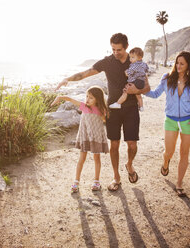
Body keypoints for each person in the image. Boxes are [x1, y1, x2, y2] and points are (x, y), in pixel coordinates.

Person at [56, 33, 150, 191]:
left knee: (132, 144)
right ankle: (116, 177)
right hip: (112, 108)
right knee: (114, 144)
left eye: (118, 49)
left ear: (126, 47)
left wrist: (136, 90)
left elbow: (147, 87)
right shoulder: (107, 62)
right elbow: (85, 73)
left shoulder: (134, 61)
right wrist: (68, 79)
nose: (115, 52)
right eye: (113, 49)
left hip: (131, 107)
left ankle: (129, 164)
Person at [144, 51, 190, 197]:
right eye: (177, 62)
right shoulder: (167, 78)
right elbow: (155, 94)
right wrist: (142, 90)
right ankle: (165, 162)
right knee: (169, 151)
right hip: (171, 120)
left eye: (182, 63)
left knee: (184, 153)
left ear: (188, 65)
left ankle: (179, 183)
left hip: (188, 121)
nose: (178, 66)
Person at [51, 86, 109, 193]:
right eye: (87, 96)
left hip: (95, 137)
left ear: (98, 99)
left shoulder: (101, 110)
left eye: (91, 98)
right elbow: (71, 100)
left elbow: (105, 120)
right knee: (81, 159)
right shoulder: (84, 106)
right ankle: (76, 182)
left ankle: (96, 181)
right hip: (85, 137)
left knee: (97, 159)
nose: (87, 99)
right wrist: (60, 97)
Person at [109, 47, 149, 111]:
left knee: (125, 92)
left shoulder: (134, 65)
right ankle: (141, 107)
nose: (130, 59)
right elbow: (147, 70)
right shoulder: (144, 64)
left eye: (133, 57)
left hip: (135, 82)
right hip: (141, 82)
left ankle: (118, 103)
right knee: (138, 95)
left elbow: (129, 73)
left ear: (140, 57)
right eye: (130, 57)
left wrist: (126, 72)